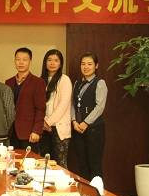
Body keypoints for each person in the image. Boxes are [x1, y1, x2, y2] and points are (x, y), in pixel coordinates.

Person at [72, 52, 108, 180]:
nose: (86, 67)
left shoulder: (100, 83)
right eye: (83, 64)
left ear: (96, 66)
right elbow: (73, 104)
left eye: (89, 64)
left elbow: (100, 107)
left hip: (94, 130)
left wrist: (86, 122)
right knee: (82, 164)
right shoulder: (77, 83)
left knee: (95, 165)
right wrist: (74, 121)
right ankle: (85, 191)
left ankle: (97, 192)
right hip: (78, 129)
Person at [5, 47, 46, 151]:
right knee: (12, 160)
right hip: (11, 132)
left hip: (29, 132)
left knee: (29, 160)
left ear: (30, 61)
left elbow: (40, 109)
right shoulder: (8, 82)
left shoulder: (38, 82)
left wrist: (37, 130)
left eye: (24, 59)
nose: (21, 62)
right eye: (18, 59)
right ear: (14, 61)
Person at [39, 49, 72, 168]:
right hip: (42, 127)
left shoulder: (64, 79)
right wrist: (42, 121)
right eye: (49, 60)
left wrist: (48, 122)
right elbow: (38, 104)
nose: (52, 63)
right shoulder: (40, 80)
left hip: (59, 127)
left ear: (60, 63)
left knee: (60, 164)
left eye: (56, 60)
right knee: (44, 164)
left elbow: (63, 104)